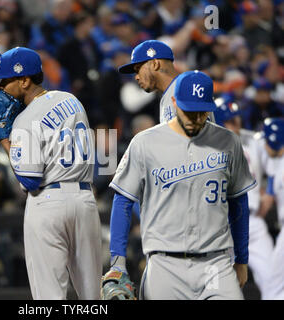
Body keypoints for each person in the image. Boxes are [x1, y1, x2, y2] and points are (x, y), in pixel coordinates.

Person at [106, 70, 256, 300]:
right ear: (174, 102)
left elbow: (239, 202)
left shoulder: (228, 142)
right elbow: (123, 200)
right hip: (165, 264)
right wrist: (118, 262)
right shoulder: (145, 143)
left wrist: (242, 259)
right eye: (189, 111)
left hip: (216, 263)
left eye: (201, 112)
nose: (195, 119)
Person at [0, 47, 102, 299]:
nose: (2, 87)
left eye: (6, 80)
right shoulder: (72, 100)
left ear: (25, 80)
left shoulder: (25, 121)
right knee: (92, 296)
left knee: (49, 296)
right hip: (84, 200)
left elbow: (29, 178)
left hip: (48, 202)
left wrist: (5, 138)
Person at [213, 95, 274, 299]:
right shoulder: (209, 145)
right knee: (218, 288)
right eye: (230, 120)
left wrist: (271, 191)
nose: (236, 124)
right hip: (222, 226)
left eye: (237, 118)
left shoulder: (252, 140)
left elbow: (277, 162)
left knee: (273, 279)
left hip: (254, 223)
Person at [117, 39, 216, 124]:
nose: (136, 77)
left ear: (155, 64)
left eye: (138, 69)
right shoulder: (168, 95)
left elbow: (200, 138)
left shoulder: (188, 89)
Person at [260, 117, 284, 300]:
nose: (264, 144)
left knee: (274, 282)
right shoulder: (276, 161)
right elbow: (270, 191)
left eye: (267, 140)